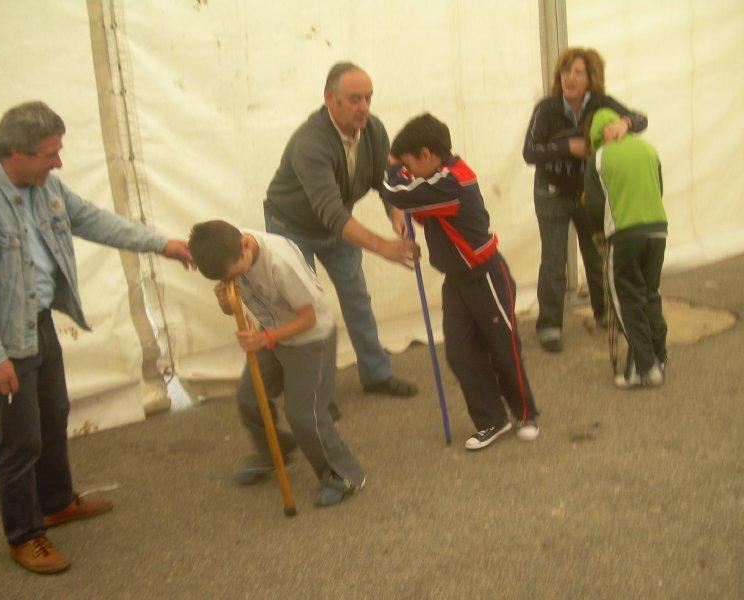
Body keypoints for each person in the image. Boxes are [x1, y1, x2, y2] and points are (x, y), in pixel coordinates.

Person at [0, 101, 194, 574]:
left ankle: (56, 502)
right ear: (15, 153)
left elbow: (94, 220)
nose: (58, 162)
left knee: (54, 415)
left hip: (38, 324)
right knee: (18, 441)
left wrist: (162, 244)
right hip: (2, 341)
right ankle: (25, 535)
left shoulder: (45, 187)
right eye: (50, 154)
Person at [381, 113, 539, 451]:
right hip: (456, 281)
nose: (408, 171)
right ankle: (492, 420)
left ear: (426, 155)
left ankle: (526, 414)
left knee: (504, 348)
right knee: (460, 353)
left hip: (486, 277)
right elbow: (412, 200)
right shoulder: (436, 178)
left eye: (410, 164)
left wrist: (392, 165)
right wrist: (404, 216)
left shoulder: (453, 182)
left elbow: (398, 191)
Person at [263, 61, 420, 399]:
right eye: (354, 99)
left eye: (368, 97)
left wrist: (396, 214)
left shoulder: (373, 130)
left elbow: (386, 181)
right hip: (290, 227)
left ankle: (376, 375)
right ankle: (315, 394)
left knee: (357, 298)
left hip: (335, 225)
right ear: (329, 98)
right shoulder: (310, 143)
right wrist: (383, 247)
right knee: (309, 310)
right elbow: (332, 213)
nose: (363, 106)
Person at [188, 220, 365, 507]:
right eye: (228, 278)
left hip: (311, 339)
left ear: (246, 244)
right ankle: (275, 450)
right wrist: (226, 304)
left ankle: (346, 475)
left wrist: (265, 338)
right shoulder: (226, 252)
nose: (236, 279)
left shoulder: (280, 263)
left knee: (303, 414)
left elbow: (309, 319)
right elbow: (234, 306)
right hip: (272, 333)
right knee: (248, 398)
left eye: (237, 273)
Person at [523, 47, 648, 352]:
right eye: (566, 71)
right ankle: (549, 325)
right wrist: (567, 147)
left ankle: (604, 314)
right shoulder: (547, 108)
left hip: (587, 194)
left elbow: (640, 118)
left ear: (592, 77)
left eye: (578, 72)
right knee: (554, 261)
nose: (570, 78)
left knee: (595, 256)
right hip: (551, 193)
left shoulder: (602, 103)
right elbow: (530, 152)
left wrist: (624, 124)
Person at [584, 108, 668, 389]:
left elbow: (595, 206)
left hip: (624, 235)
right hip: (658, 229)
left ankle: (646, 367)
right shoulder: (649, 149)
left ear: (598, 136)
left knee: (625, 300)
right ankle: (657, 358)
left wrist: (599, 233)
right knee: (650, 294)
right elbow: (659, 188)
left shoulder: (599, 158)